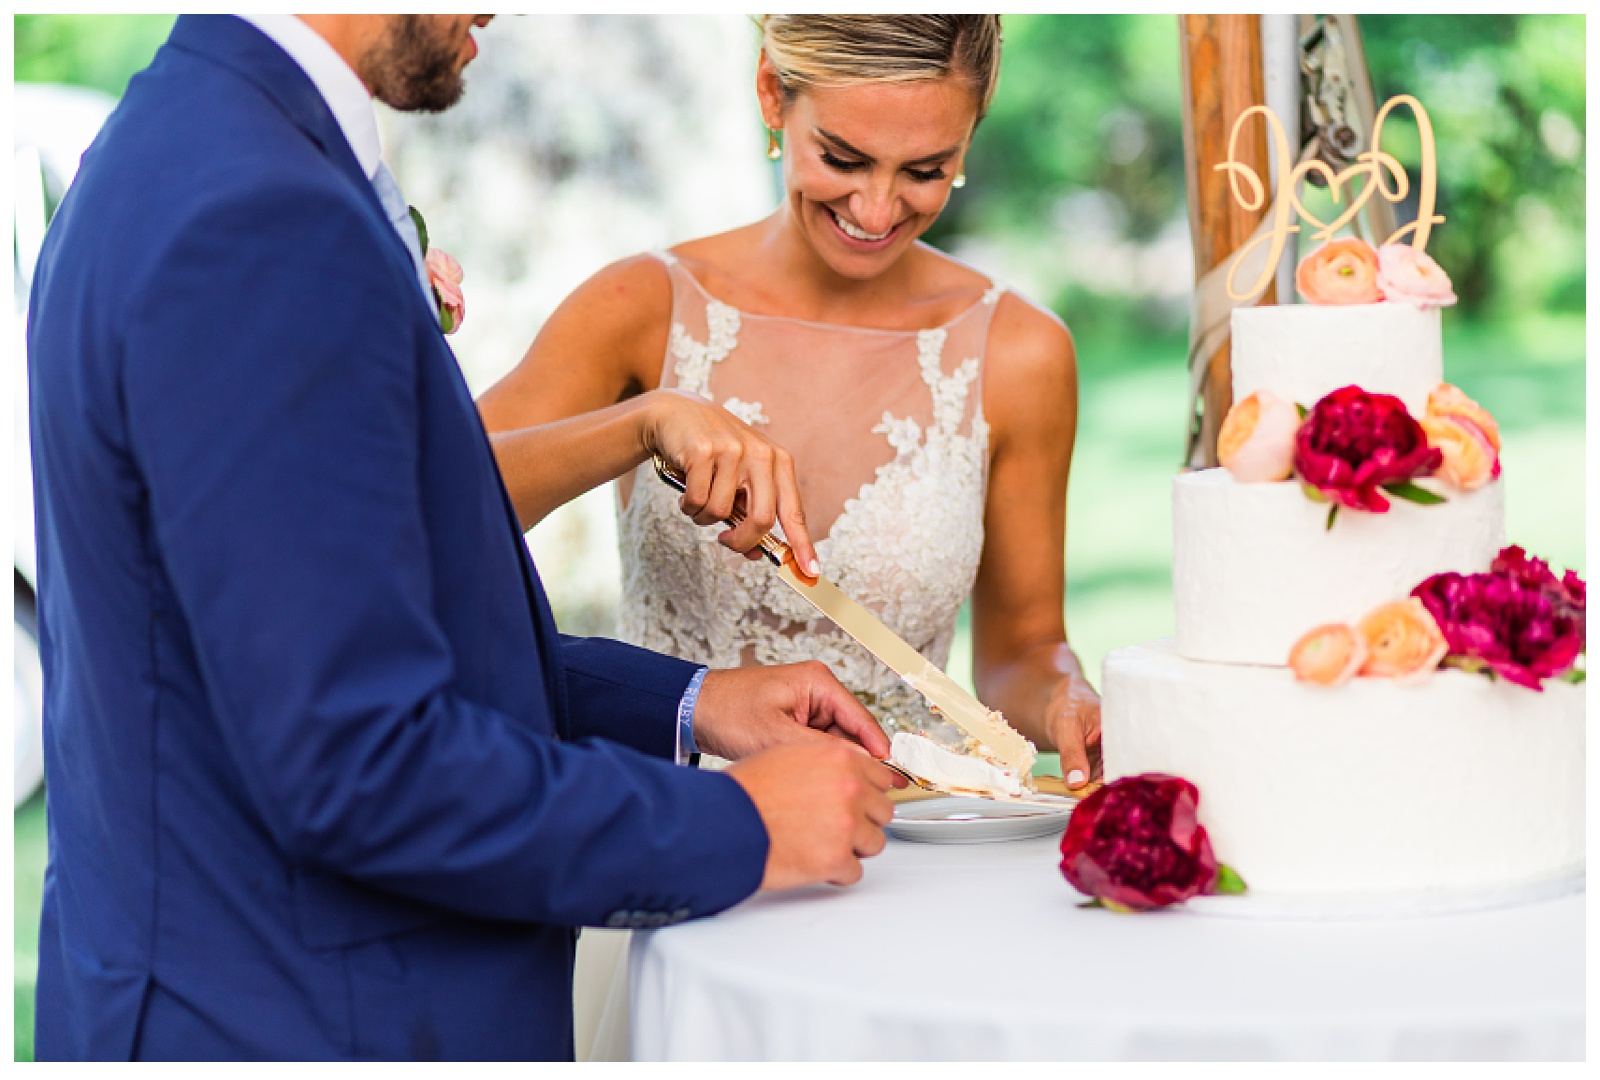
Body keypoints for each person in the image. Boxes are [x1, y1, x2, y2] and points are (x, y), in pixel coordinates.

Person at [27, 14, 900, 1061]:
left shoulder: (178, 137)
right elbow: (358, 759)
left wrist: (688, 703)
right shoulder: (262, 218)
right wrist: (739, 830)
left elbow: (304, 637)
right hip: (299, 1019)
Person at [477, 14, 1103, 783]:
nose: (876, 212)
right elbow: (429, 502)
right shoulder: (637, 306)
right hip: (672, 827)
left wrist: (1067, 696)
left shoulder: (1021, 352)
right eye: (843, 158)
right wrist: (643, 425)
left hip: (900, 845)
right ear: (773, 95)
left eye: (926, 170)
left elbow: (1022, 655)